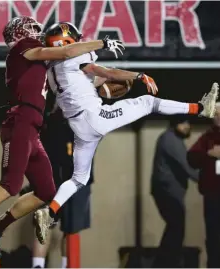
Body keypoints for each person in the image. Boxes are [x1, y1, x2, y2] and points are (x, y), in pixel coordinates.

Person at [0, 16, 124, 260]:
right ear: (18, 35)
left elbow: (77, 76)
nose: (37, 33)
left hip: (32, 127)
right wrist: (101, 43)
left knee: (46, 191)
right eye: (31, 29)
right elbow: (67, 51)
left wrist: (113, 77)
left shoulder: (40, 62)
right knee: (10, 184)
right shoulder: (22, 50)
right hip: (19, 121)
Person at [34, 21, 219, 244]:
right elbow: (103, 71)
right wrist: (138, 75)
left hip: (79, 127)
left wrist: (115, 80)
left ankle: (50, 212)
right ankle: (201, 108)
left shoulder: (52, 68)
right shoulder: (75, 58)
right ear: (67, 41)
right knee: (148, 102)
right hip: (95, 118)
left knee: (78, 178)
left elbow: (90, 80)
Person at [22, 91, 93, 268]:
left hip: (73, 183)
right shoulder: (50, 123)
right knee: (44, 224)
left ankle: (66, 265)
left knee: (70, 229)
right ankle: (38, 265)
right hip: (52, 182)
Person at [150, 117, 199, 268]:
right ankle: (163, 265)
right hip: (167, 192)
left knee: (175, 229)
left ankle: (163, 264)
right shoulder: (170, 140)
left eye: (188, 123)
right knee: (176, 230)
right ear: (174, 124)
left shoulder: (171, 139)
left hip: (168, 192)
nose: (187, 127)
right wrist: (209, 177)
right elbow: (188, 166)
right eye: (183, 123)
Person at [187, 102, 220, 268]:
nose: (218, 117)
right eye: (216, 114)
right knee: (213, 236)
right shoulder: (208, 137)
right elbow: (192, 158)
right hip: (213, 195)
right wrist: (208, 154)